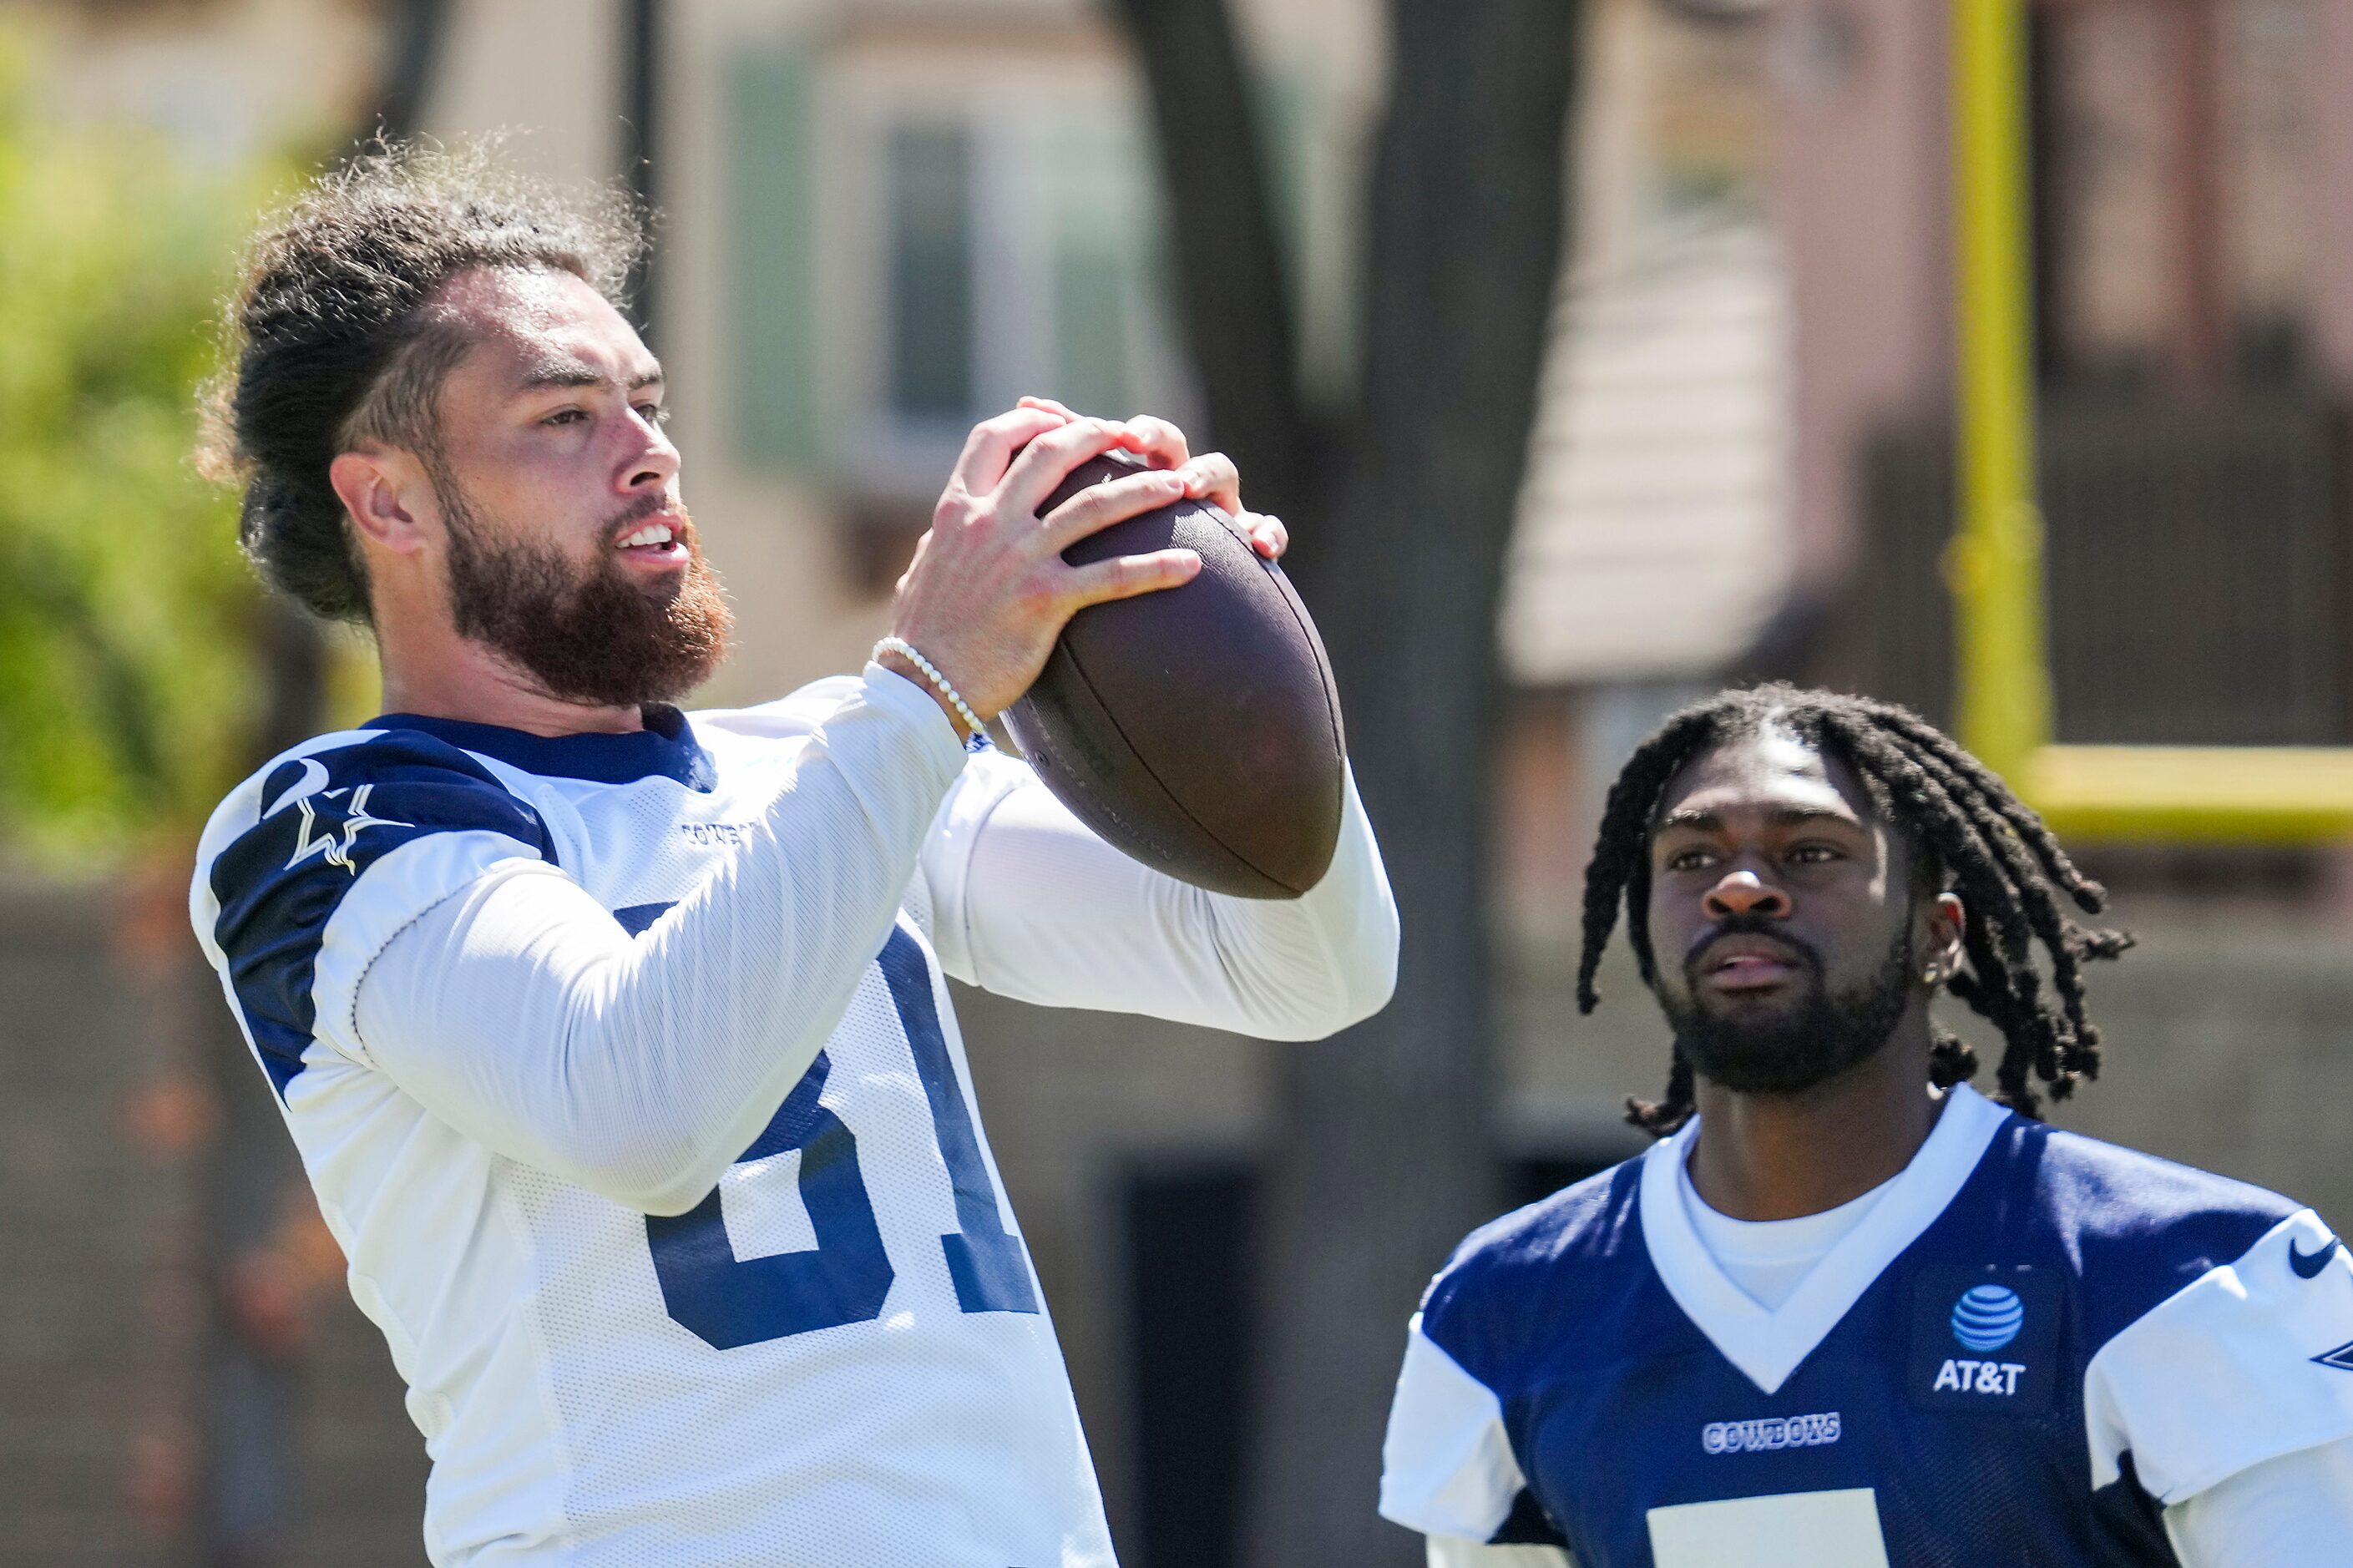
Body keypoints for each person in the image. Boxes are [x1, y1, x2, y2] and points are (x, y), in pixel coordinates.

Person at [187, 146, 1398, 1566]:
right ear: (387, 503)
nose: (648, 450)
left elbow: (1303, 968)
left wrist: (1247, 678)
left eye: (645, 400)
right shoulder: (331, 821)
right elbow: (639, 1103)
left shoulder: (830, 761)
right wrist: (933, 683)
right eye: (563, 415)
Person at [1379, 685, 2353, 1567]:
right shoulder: (1501, 1314)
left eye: (1810, 852)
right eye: (1692, 857)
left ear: (1937, 933)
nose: (1741, 888)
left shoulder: (2191, 1279)